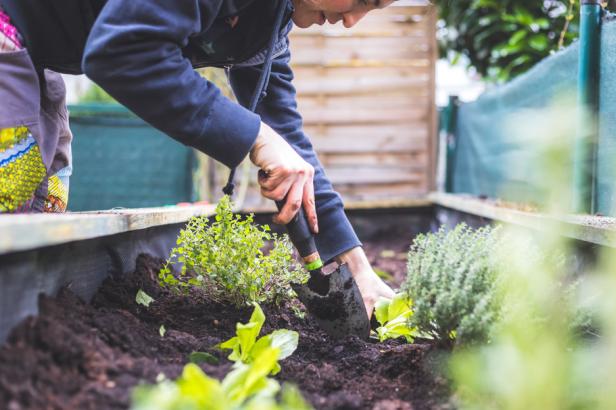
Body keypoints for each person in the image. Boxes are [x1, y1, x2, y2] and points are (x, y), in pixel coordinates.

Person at [0, 0, 395, 315]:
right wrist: (254, 136)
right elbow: (123, 52)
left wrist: (354, 264)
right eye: (363, 0)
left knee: (41, 226)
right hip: (10, 26)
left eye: (372, 10)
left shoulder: (268, 20)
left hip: (40, 50)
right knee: (10, 210)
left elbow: (289, 142)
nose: (352, 21)